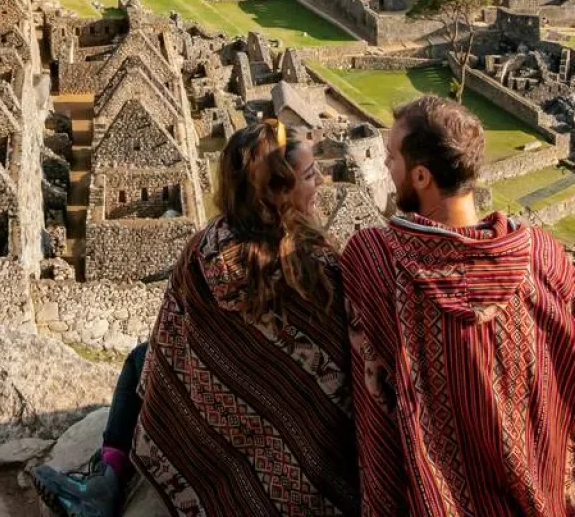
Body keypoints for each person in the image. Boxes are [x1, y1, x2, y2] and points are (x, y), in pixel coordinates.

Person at [32, 121, 359, 517]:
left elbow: (171, 334)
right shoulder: (317, 269)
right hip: (287, 431)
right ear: (279, 190)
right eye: (310, 175)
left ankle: (108, 477)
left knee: (142, 358)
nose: (322, 180)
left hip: (211, 413)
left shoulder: (206, 248)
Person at [341, 95, 575, 517]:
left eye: (391, 158)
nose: (387, 169)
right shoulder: (541, 255)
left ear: (421, 176)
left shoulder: (377, 261)